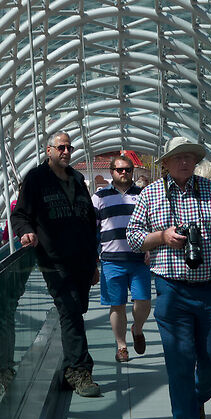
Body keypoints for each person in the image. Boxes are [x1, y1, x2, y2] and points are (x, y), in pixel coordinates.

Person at [128, 134, 211, 419]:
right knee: (180, 360)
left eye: (190, 157)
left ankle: (198, 396)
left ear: (196, 162)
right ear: (165, 163)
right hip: (172, 289)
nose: (184, 162)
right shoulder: (150, 194)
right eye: (178, 157)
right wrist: (161, 236)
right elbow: (133, 237)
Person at [13, 130, 104, 398]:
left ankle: (68, 369)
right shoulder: (36, 179)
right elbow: (20, 214)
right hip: (54, 261)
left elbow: (89, 222)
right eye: (61, 147)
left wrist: (94, 262)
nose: (66, 152)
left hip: (82, 261)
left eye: (69, 148)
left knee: (76, 310)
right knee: (71, 311)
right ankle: (80, 371)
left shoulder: (77, 179)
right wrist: (25, 232)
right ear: (48, 150)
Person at [95, 151, 152, 362]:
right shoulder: (99, 197)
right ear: (112, 172)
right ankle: (121, 346)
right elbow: (92, 228)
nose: (124, 173)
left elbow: (151, 225)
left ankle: (137, 328)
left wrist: (150, 249)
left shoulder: (143, 195)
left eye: (128, 170)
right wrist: (94, 258)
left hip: (138, 259)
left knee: (143, 301)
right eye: (119, 170)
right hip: (111, 260)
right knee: (116, 305)